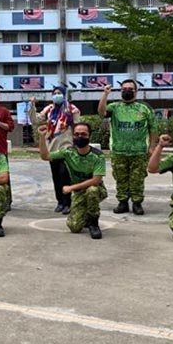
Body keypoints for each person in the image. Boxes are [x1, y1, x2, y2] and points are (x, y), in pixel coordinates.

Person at [98, 79, 157, 215]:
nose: (127, 91)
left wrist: (152, 147)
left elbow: (153, 129)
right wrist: (105, 94)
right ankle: (122, 202)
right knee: (121, 178)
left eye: (130, 88)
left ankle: (137, 203)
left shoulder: (145, 108)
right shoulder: (115, 107)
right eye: (124, 88)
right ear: (120, 91)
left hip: (139, 151)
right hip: (119, 150)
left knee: (138, 178)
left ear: (136, 91)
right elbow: (101, 113)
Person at [38, 123, 106, 239]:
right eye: (77, 134)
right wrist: (42, 137)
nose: (80, 137)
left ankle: (94, 223)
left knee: (92, 191)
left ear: (90, 136)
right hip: (79, 192)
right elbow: (45, 156)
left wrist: (71, 188)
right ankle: (84, 214)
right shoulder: (68, 152)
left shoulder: (98, 156)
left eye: (83, 134)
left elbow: (96, 180)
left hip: (95, 189)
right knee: (74, 226)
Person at [29, 86, 81, 214]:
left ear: (64, 95)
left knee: (65, 176)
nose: (56, 95)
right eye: (54, 93)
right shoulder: (49, 109)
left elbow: (77, 127)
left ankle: (67, 202)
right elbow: (35, 120)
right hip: (52, 149)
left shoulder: (72, 109)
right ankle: (60, 202)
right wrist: (32, 106)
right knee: (56, 177)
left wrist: (77, 146)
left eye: (59, 93)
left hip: (66, 149)